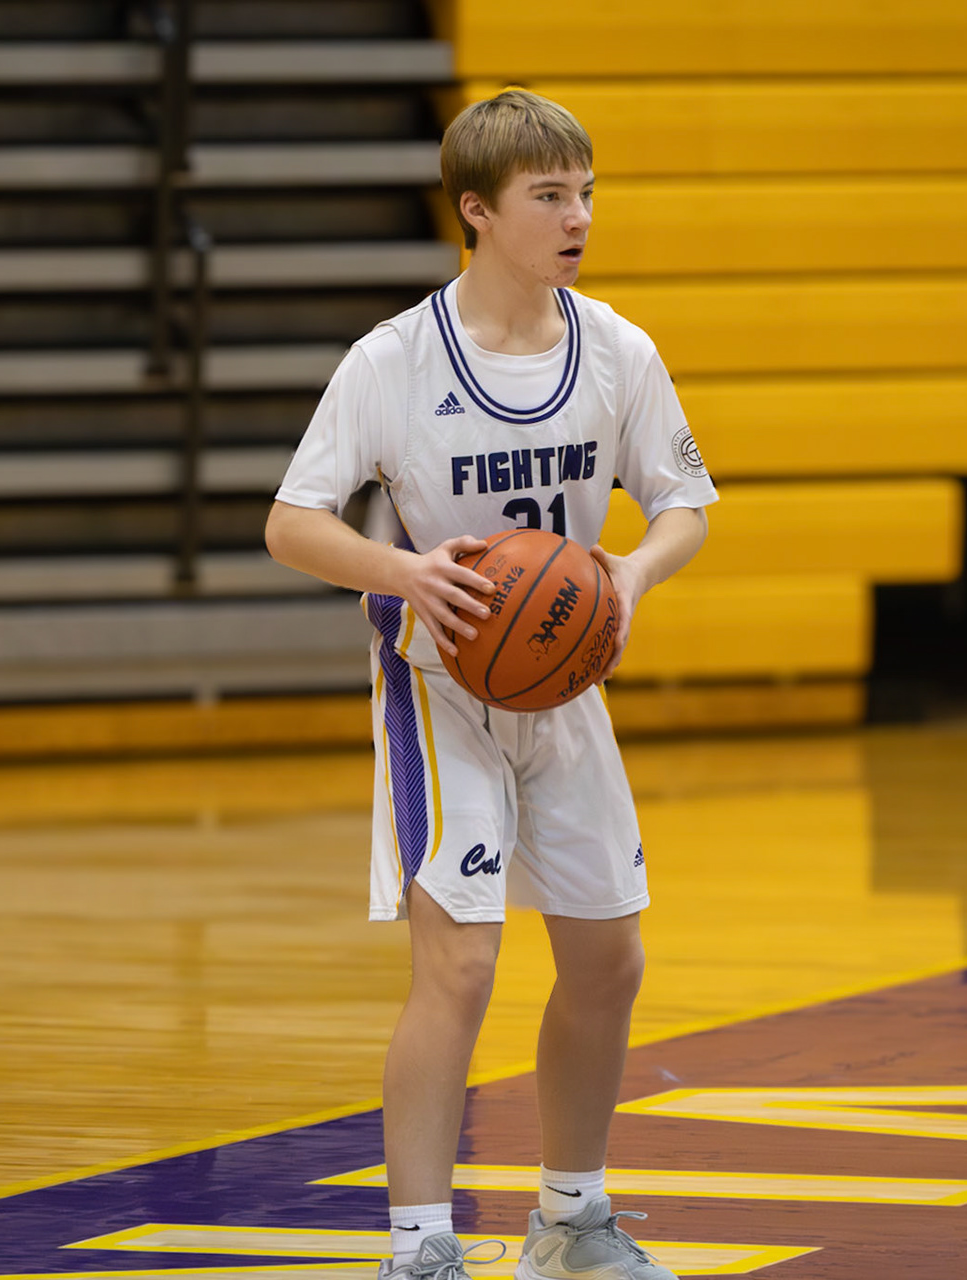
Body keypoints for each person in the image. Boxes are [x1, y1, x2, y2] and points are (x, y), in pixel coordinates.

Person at [265, 88, 716, 1280]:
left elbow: (685, 507)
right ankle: (419, 1249)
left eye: (585, 193)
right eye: (550, 197)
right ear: (478, 211)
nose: (578, 217)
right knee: (460, 963)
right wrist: (404, 569)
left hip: (561, 687)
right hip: (440, 690)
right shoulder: (396, 360)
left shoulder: (616, 347)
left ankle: (570, 1221)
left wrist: (630, 570)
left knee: (611, 959)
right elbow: (290, 523)